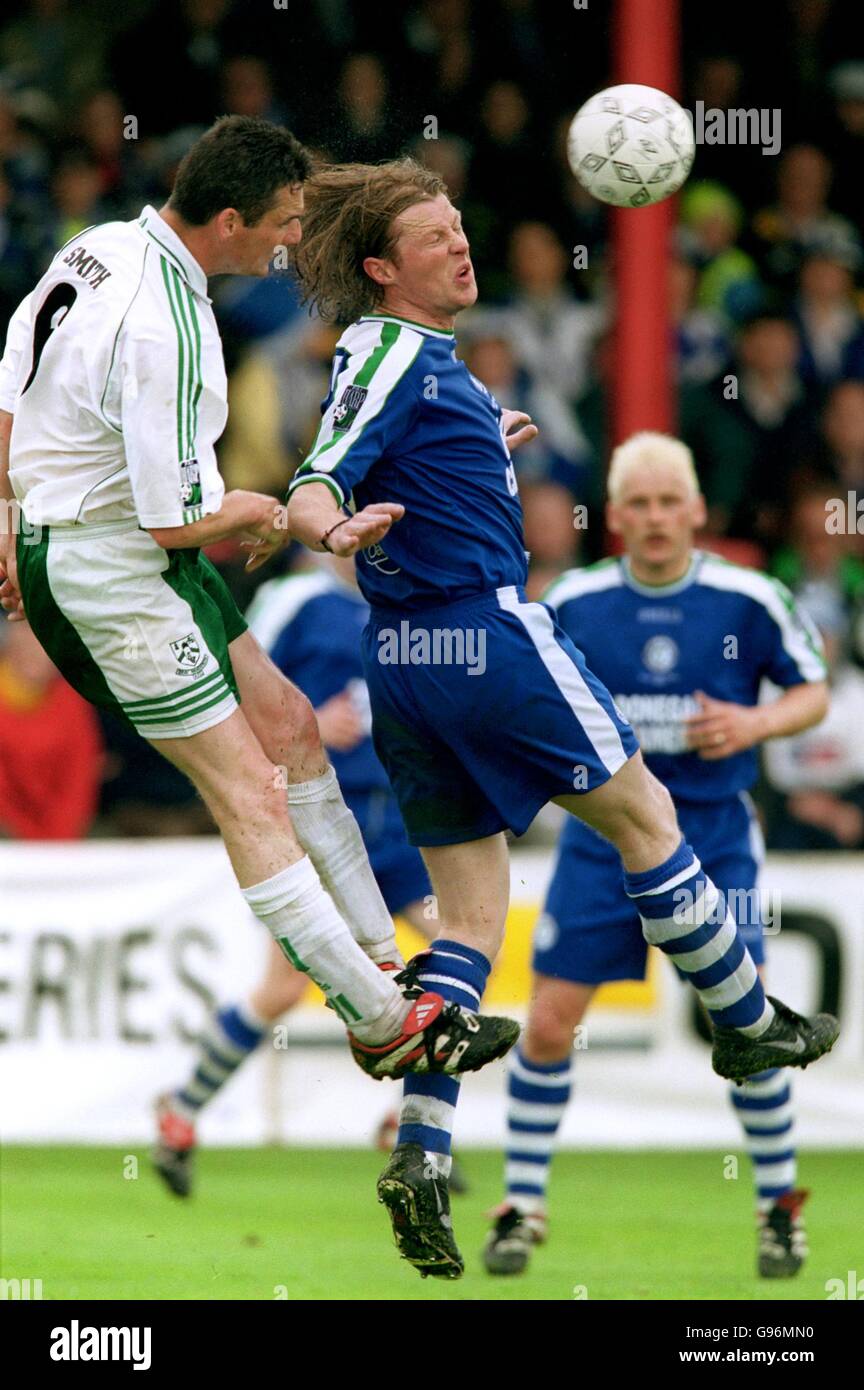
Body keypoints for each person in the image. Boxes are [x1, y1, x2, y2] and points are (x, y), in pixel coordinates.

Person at [285, 158, 839, 1281]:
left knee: (469, 922)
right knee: (646, 818)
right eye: (433, 234)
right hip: (485, 633)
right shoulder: (392, 349)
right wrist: (322, 523)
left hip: (406, 662)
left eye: (457, 224)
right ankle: (746, 1020)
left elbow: (392, 445)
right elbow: (321, 471)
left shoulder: (428, 370)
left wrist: (484, 446)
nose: (459, 243)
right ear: (383, 267)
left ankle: (424, 1154)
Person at [0, 118, 518, 1101]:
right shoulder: (171, 329)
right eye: (281, 224)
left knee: (292, 732)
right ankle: (381, 1022)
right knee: (251, 787)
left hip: (97, 541)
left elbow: (11, 377)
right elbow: (174, 522)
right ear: (229, 219)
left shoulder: (99, 247)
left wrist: (6, 509)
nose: (289, 243)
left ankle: (383, 965)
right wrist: (269, 509)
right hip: (111, 575)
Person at [482, 432, 830, 1280]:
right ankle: (523, 1208)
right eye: (636, 503)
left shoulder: (748, 599)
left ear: (698, 509)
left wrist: (752, 724)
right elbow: (525, 694)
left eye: (669, 501)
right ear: (615, 516)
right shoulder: (578, 600)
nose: (655, 518)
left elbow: (815, 690)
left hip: (713, 842)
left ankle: (777, 1209)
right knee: (553, 1020)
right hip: (602, 846)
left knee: (746, 1028)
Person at [153, 553, 447, 1197]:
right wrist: (314, 718)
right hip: (320, 826)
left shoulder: (418, 606)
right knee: (283, 989)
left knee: (456, 958)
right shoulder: (296, 601)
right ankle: (181, 1109)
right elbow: (226, 686)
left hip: (399, 827)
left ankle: (411, 1128)